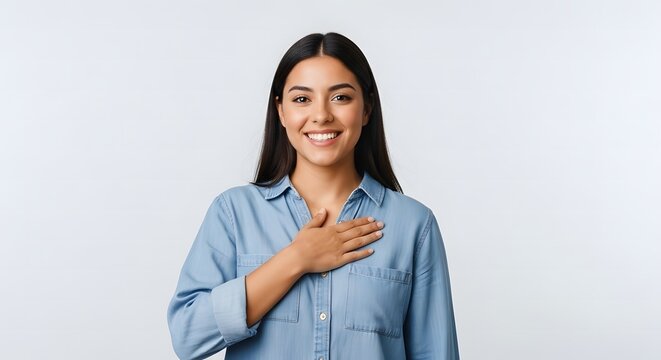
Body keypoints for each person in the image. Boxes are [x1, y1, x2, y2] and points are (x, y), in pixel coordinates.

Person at [167, 32, 459, 360]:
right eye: (302, 99)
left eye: (341, 97)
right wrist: (295, 259)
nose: (321, 115)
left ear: (366, 109)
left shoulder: (413, 226)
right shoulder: (233, 213)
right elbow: (188, 337)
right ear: (280, 111)